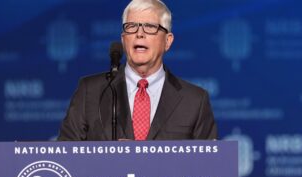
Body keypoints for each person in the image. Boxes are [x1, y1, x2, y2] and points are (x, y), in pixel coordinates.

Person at [58, 0, 217, 141]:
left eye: (150, 27)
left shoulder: (195, 101)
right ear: (123, 39)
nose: (139, 34)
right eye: (131, 27)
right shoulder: (90, 92)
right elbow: (65, 159)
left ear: (167, 41)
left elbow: (208, 166)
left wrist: (142, 161)